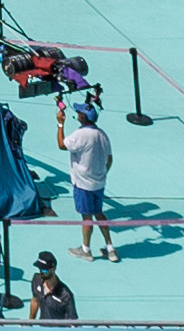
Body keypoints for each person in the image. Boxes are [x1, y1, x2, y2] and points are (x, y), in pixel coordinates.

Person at [62, 96, 116, 253]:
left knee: (87, 218)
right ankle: (110, 248)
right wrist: (103, 173)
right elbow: (110, 159)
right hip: (99, 183)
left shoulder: (80, 135)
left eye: (79, 112)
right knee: (99, 214)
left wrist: (60, 123)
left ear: (82, 117)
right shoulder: (102, 134)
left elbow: (61, 144)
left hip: (83, 185)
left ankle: (85, 250)